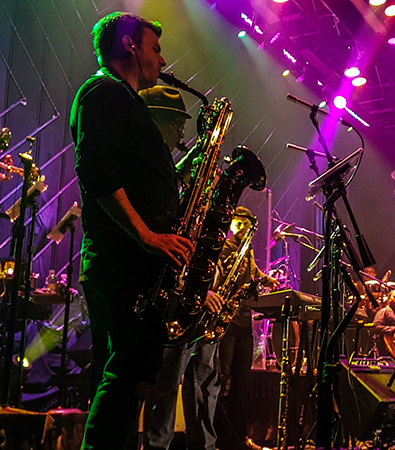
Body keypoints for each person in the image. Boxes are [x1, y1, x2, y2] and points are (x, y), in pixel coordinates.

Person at [70, 11, 192, 450]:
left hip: (129, 264)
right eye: (155, 48)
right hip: (122, 263)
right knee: (126, 376)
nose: (162, 59)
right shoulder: (104, 92)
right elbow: (96, 170)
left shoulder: (120, 98)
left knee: (130, 379)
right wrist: (147, 235)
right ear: (129, 46)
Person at [139, 86, 223, 450]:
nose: (183, 133)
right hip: (171, 295)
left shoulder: (169, 169)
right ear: (155, 119)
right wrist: (195, 289)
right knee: (164, 388)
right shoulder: (143, 166)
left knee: (204, 383)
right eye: (177, 122)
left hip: (195, 292)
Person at [216, 206, 275, 450]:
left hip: (243, 321)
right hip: (226, 322)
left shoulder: (247, 251)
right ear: (231, 225)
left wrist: (264, 278)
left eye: (245, 226)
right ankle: (219, 436)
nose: (241, 229)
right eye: (237, 224)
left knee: (242, 382)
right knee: (221, 380)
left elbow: (251, 273)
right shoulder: (224, 248)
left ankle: (240, 438)